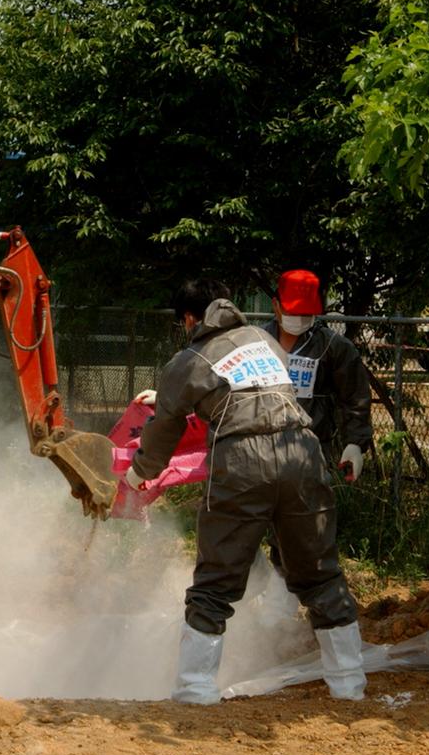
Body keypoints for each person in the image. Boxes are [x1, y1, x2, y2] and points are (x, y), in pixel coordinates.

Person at [124, 279, 365, 704]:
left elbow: (166, 428)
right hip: (301, 453)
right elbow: (249, 389)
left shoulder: (187, 359)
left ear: (187, 318)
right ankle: (349, 684)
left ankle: (195, 690)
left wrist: (139, 473)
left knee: (216, 581)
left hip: (243, 463)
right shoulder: (263, 339)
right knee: (320, 573)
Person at [265, 269, 373, 482]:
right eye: (293, 312)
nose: (299, 319)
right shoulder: (258, 342)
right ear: (276, 305)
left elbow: (355, 398)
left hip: (314, 451)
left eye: (306, 313)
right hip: (263, 450)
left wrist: (355, 443)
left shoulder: (333, 347)